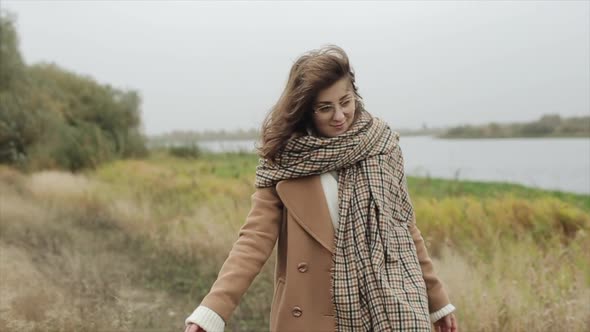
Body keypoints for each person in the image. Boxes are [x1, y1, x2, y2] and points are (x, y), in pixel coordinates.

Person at [184, 45, 458, 332]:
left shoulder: (382, 147)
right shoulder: (284, 162)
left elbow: (404, 227)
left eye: (345, 101)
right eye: (325, 108)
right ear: (305, 111)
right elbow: (254, 240)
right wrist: (213, 310)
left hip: (390, 307)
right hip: (313, 314)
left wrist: (437, 300)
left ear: (355, 95)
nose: (339, 116)